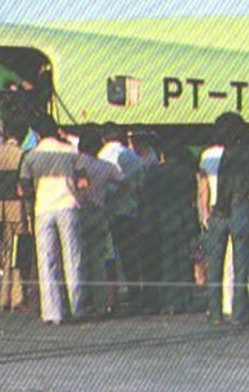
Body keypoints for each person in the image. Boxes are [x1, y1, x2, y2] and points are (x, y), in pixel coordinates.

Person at [19, 117, 94, 323]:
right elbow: (83, 181)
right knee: (72, 256)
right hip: (68, 206)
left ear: (38, 134)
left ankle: (53, 312)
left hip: (43, 209)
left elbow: (22, 187)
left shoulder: (31, 155)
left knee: (47, 260)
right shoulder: (70, 151)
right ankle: (77, 307)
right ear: (56, 131)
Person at [198, 113, 249, 326]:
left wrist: (204, 212)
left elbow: (203, 186)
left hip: (216, 212)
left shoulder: (207, 155)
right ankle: (240, 313)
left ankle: (214, 312)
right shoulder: (244, 153)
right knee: (241, 266)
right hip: (239, 209)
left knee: (215, 266)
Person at [138, 135, 200, 314]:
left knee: (166, 262)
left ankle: (169, 302)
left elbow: (147, 196)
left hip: (161, 219)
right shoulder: (186, 172)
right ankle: (185, 300)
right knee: (183, 261)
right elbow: (191, 197)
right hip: (182, 218)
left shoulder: (155, 172)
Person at [73, 129, 123, 316]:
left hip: (79, 212)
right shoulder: (106, 166)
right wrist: (110, 196)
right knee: (99, 259)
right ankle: (101, 302)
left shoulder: (75, 164)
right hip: (99, 212)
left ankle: (81, 300)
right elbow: (125, 183)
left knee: (78, 257)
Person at [98, 124, 146, 313]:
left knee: (109, 258)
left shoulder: (103, 156)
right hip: (130, 211)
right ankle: (135, 295)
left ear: (104, 138)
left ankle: (112, 298)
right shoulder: (134, 157)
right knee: (130, 257)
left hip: (109, 213)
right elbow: (141, 185)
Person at [0, 119, 32, 312]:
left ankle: (4, 295)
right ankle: (17, 297)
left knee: (7, 253)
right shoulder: (22, 155)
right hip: (18, 208)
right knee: (19, 252)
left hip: (0, 208)